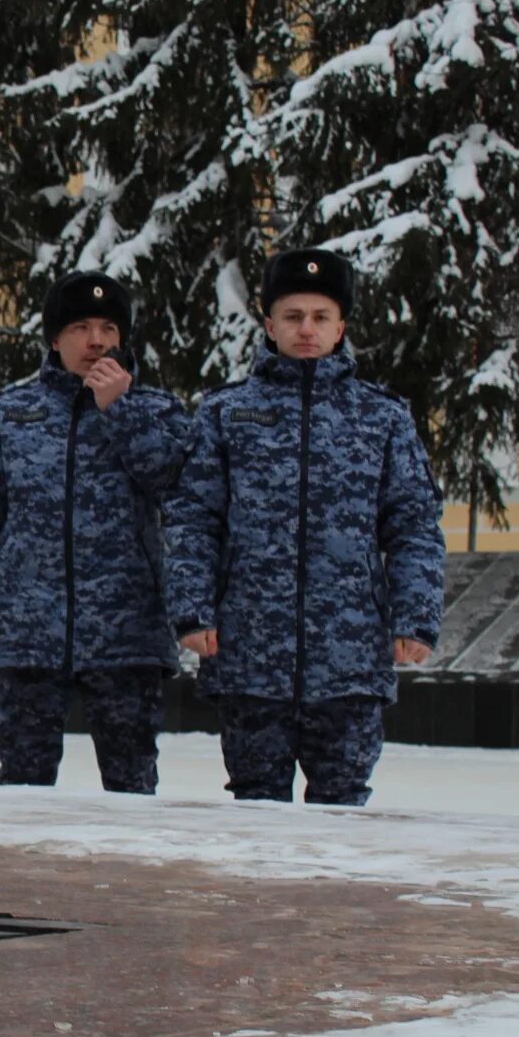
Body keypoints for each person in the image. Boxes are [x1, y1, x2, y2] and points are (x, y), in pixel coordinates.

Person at [163, 248, 445, 806]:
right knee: (258, 813)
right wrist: (192, 611)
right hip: (250, 656)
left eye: (320, 317)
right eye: (293, 317)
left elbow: (413, 526)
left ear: (341, 327)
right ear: (269, 325)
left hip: (349, 660)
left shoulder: (382, 418)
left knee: (341, 813)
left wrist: (416, 617)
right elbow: (194, 519)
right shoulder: (226, 413)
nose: (307, 330)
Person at [0, 272, 193, 792]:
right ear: (54, 338)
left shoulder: (157, 411)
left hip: (126, 635)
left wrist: (119, 411)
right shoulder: (10, 416)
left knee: (132, 787)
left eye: (107, 328)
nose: (95, 340)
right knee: (24, 786)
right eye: (80, 327)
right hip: (28, 633)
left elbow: (176, 487)